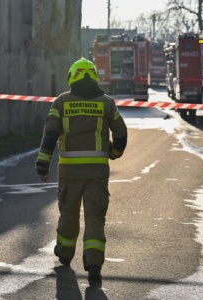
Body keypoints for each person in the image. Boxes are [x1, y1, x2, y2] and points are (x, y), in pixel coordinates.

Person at [35, 58, 128, 283]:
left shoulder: (61, 102)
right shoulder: (106, 103)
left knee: (69, 214)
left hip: (69, 172)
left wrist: (42, 165)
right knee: (95, 217)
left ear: (72, 77)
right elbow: (121, 133)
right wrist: (113, 153)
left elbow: (50, 135)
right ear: (94, 76)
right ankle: (94, 264)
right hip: (97, 172)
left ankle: (65, 255)